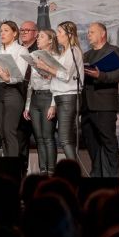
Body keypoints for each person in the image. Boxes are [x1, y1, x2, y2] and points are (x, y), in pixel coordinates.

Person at [36, 21, 85, 163]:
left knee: (65, 139)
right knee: (65, 138)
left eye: (59, 32)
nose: (57, 35)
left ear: (69, 34)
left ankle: (74, 172)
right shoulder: (64, 52)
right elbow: (60, 75)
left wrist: (46, 67)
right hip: (60, 96)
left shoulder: (73, 51)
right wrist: (49, 73)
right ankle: (74, 171)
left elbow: (66, 75)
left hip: (68, 97)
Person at [82, 22, 119, 178]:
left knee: (108, 143)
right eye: (88, 32)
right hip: (86, 106)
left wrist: (100, 75)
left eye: (92, 32)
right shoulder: (86, 55)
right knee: (92, 144)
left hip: (104, 105)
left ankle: (112, 179)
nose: (89, 34)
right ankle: (97, 177)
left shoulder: (113, 51)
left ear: (103, 34)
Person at [0, 21, 29, 157]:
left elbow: (20, 76)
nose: (2, 33)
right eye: (1, 31)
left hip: (13, 91)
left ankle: (13, 166)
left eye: (6, 30)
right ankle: (6, 164)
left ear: (14, 33)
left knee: (9, 131)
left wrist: (7, 78)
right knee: (2, 132)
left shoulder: (21, 50)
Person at [23, 29, 59, 175]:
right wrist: (27, 106)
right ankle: (43, 171)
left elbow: (58, 83)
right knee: (39, 138)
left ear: (50, 40)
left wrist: (53, 105)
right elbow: (30, 84)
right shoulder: (34, 56)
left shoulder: (56, 57)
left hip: (48, 97)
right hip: (35, 99)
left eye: (42, 37)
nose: (38, 39)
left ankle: (51, 172)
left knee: (48, 137)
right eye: (38, 37)